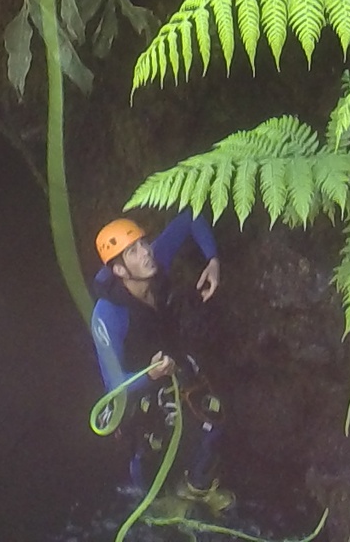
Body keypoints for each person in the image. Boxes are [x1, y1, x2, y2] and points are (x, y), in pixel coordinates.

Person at [91, 213, 229, 511]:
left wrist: (213, 260)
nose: (147, 253)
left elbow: (191, 217)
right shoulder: (108, 315)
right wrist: (150, 375)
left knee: (213, 419)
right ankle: (154, 502)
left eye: (143, 243)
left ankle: (196, 486)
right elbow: (115, 384)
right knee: (150, 444)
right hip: (136, 382)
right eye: (134, 252)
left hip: (170, 360)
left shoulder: (153, 265)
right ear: (119, 269)